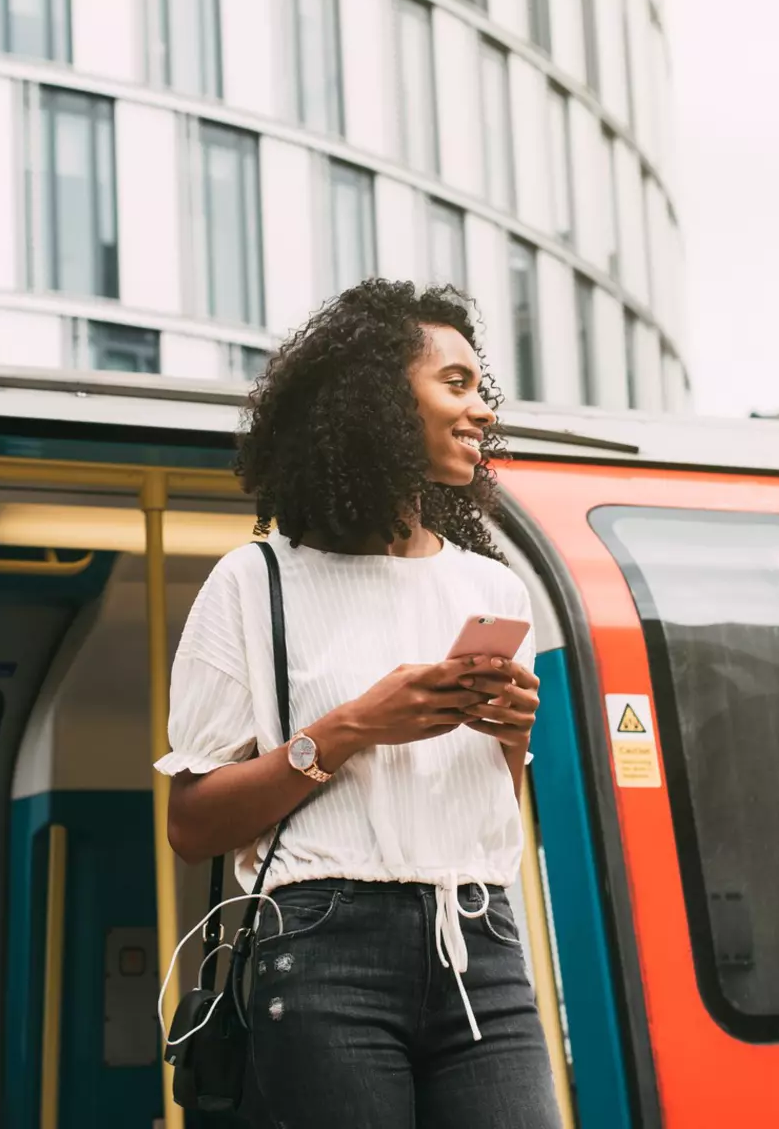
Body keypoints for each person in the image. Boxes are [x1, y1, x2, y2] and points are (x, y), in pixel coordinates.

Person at [158, 279, 559, 1128]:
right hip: (323, 952)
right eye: (455, 383)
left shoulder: (489, 585)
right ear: (377, 400)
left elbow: (491, 813)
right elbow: (192, 826)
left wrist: (511, 741)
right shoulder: (254, 583)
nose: (481, 408)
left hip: (481, 937)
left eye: (479, 386)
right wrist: (354, 727)